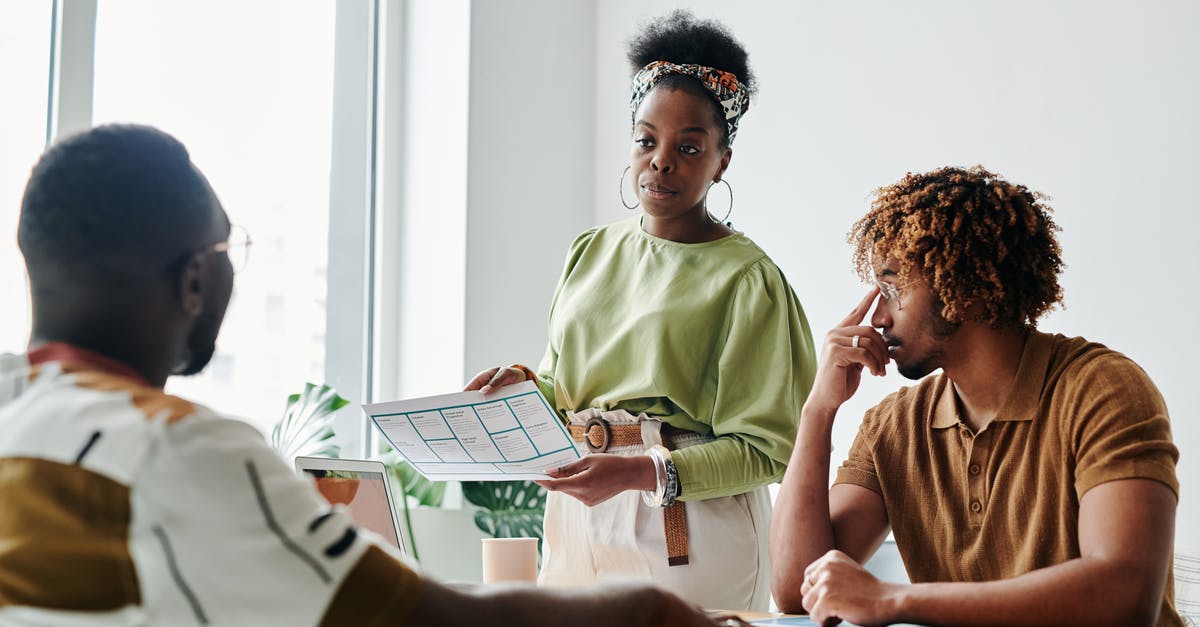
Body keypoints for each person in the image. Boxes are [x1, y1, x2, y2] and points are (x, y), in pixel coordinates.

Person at [0, 123, 742, 627]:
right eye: (231, 250)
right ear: (194, 279)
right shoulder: (182, 450)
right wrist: (644, 609)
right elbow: (433, 621)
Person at [465, 11, 816, 612]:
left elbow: (766, 449)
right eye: (646, 140)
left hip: (688, 533)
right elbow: (567, 386)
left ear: (721, 160)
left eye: (688, 147)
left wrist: (635, 474)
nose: (661, 161)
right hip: (575, 519)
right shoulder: (591, 251)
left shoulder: (747, 279)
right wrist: (523, 386)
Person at [770, 166, 1182, 626]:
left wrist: (893, 600)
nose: (878, 316)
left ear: (962, 290)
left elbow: (1123, 596)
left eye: (892, 288)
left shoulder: (1103, 391)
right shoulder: (894, 427)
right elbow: (796, 591)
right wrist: (818, 409)